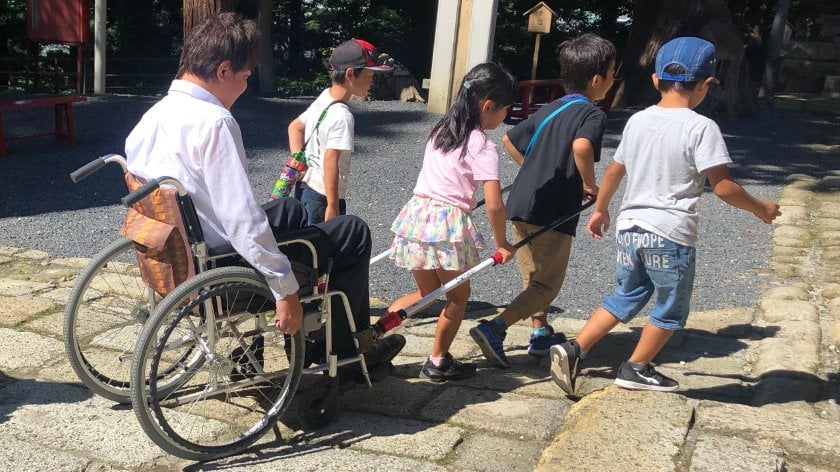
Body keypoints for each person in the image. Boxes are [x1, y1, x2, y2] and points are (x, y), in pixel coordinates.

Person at [124, 12, 405, 379]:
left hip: (183, 254)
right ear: (224, 70)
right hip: (222, 267)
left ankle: (309, 326)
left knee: (290, 208)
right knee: (351, 232)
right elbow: (241, 220)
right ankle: (343, 351)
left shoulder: (154, 116)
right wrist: (284, 288)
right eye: (244, 77)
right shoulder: (214, 123)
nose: (244, 86)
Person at [550, 37, 781, 394]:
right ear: (706, 84)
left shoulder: (639, 121)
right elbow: (723, 186)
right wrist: (761, 208)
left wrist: (600, 210)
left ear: (656, 80)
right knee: (671, 308)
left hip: (630, 228)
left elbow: (613, 171)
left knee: (624, 295)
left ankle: (574, 348)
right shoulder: (702, 128)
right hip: (670, 232)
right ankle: (636, 367)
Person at [469, 34, 616, 368]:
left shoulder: (551, 109)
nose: (613, 81)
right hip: (554, 209)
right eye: (611, 74)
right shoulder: (591, 114)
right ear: (596, 79)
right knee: (547, 283)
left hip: (522, 201)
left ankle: (540, 332)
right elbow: (582, 148)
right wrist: (589, 185)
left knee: (533, 274)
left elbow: (509, 139)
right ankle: (495, 327)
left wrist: (533, 168)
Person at [387, 63, 517, 382]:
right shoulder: (483, 145)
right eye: (505, 110)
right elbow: (496, 204)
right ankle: (437, 360)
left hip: (418, 216)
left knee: (425, 293)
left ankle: (368, 336)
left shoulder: (441, 132)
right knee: (457, 297)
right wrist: (502, 244)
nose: (505, 117)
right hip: (446, 224)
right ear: (488, 106)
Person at [287, 38, 392, 225]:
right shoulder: (343, 115)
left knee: (305, 244)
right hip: (323, 197)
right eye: (369, 75)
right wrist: (333, 205)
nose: (372, 81)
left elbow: (295, 126)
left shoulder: (325, 97)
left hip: (305, 187)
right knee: (323, 247)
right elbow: (330, 159)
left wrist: (299, 161)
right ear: (351, 74)